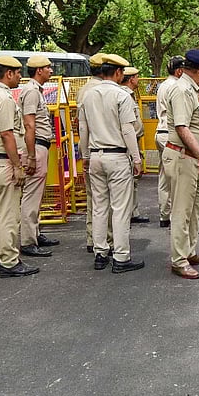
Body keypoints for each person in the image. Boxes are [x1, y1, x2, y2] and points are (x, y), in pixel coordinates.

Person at [78, 53, 145, 274]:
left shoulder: (88, 95)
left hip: (95, 156)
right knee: (120, 209)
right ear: (117, 73)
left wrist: (85, 156)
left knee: (98, 207)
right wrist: (136, 158)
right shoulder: (122, 96)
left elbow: (83, 129)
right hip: (117, 157)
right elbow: (128, 130)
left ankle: (100, 254)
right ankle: (121, 256)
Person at [0, 55, 39, 278]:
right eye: (18, 73)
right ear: (9, 73)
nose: (20, 77)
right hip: (3, 162)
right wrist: (17, 166)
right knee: (8, 215)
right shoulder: (4, 99)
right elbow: (7, 134)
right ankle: (10, 261)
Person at [162, 49, 199, 279]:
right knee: (182, 210)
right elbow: (181, 128)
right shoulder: (182, 90)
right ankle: (178, 260)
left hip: (194, 160)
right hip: (183, 157)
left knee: (194, 209)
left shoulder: (192, 89)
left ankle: (189, 251)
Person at [17, 55, 58, 258]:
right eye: (48, 67)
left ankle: (35, 232)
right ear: (38, 70)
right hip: (36, 147)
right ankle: (28, 241)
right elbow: (29, 124)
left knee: (36, 194)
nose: (51, 70)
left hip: (40, 146)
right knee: (31, 196)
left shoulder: (35, 91)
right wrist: (31, 156)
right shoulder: (32, 92)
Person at [77, 54, 111, 251]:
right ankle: (107, 240)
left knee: (94, 199)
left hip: (90, 149)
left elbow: (82, 126)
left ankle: (93, 239)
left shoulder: (83, 90)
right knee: (110, 200)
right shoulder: (106, 91)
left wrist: (84, 154)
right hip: (107, 150)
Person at [154, 56, 184, 228]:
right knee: (176, 177)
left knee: (164, 176)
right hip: (171, 134)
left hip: (161, 132)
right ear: (179, 70)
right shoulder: (176, 87)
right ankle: (174, 216)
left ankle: (164, 214)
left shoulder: (163, 85)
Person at [120, 66, 150, 224]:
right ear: (131, 79)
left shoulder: (130, 95)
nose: (138, 80)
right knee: (129, 180)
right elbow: (128, 126)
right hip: (128, 143)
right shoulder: (124, 95)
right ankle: (129, 213)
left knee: (134, 181)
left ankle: (133, 211)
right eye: (137, 77)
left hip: (133, 141)